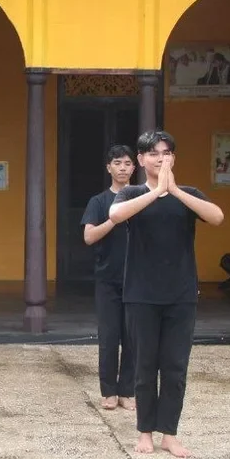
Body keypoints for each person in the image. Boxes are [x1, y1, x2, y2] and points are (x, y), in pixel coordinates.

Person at [109, 130, 224, 458]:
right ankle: (144, 431)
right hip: (141, 294)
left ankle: (169, 433)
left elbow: (217, 216)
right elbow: (116, 216)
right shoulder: (130, 193)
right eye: (154, 153)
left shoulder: (189, 194)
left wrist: (173, 191)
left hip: (181, 293)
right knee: (145, 365)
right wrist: (156, 192)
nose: (162, 158)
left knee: (175, 367)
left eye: (167, 152)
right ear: (142, 160)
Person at [81, 145, 137, 412]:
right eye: (118, 163)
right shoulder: (99, 201)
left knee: (134, 337)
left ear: (134, 168)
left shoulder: (142, 198)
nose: (123, 167)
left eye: (128, 163)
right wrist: (115, 218)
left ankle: (128, 391)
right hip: (107, 279)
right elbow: (89, 237)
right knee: (109, 336)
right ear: (109, 168)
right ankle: (108, 392)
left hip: (139, 279)